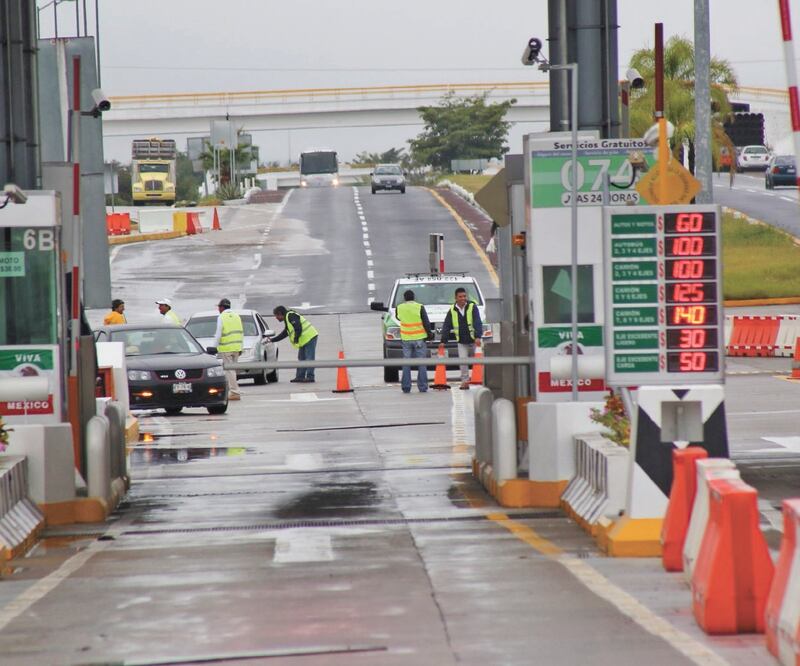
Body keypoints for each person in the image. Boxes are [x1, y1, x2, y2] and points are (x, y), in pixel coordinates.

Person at [440, 287, 483, 390]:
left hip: (474, 341)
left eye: (464, 296)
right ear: (456, 298)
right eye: (460, 297)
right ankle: (465, 382)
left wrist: (478, 336)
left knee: (480, 362)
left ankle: (482, 380)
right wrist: (443, 340)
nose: (463, 298)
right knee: (463, 363)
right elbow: (447, 325)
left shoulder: (472, 306)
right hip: (462, 342)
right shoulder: (452, 310)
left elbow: (477, 322)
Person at [395, 289, 433, 394]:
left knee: (406, 364)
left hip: (406, 339)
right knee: (421, 363)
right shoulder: (419, 307)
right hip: (419, 339)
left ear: (404, 298)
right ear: (414, 297)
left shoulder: (399, 307)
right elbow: (426, 322)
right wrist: (429, 335)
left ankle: (406, 387)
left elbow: (398, 318)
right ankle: (422, 387)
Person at [270, 306, 319, 383]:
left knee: (309, 358)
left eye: (276, 316)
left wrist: (296, 338)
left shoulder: (290, 315)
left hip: (310, 336)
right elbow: (285, 333)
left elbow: (298, 327)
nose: (276, 318)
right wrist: (273, 340)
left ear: (279, 313)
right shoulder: (287, 318)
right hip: (303, 339)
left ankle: (310, 377)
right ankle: (300, 377)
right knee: (301, 358)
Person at [211, 298, 243, 400]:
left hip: (227, 348)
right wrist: (241, 347)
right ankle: (234, 390)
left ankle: (234, 392)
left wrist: (213, 347)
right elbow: (241, 331)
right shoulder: (236, 316)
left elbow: (218, 333)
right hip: (237, 347)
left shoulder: (222, 317)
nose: (218, 309)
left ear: (221, 307)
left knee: (229, 371)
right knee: (233, 370)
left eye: (218, 307)